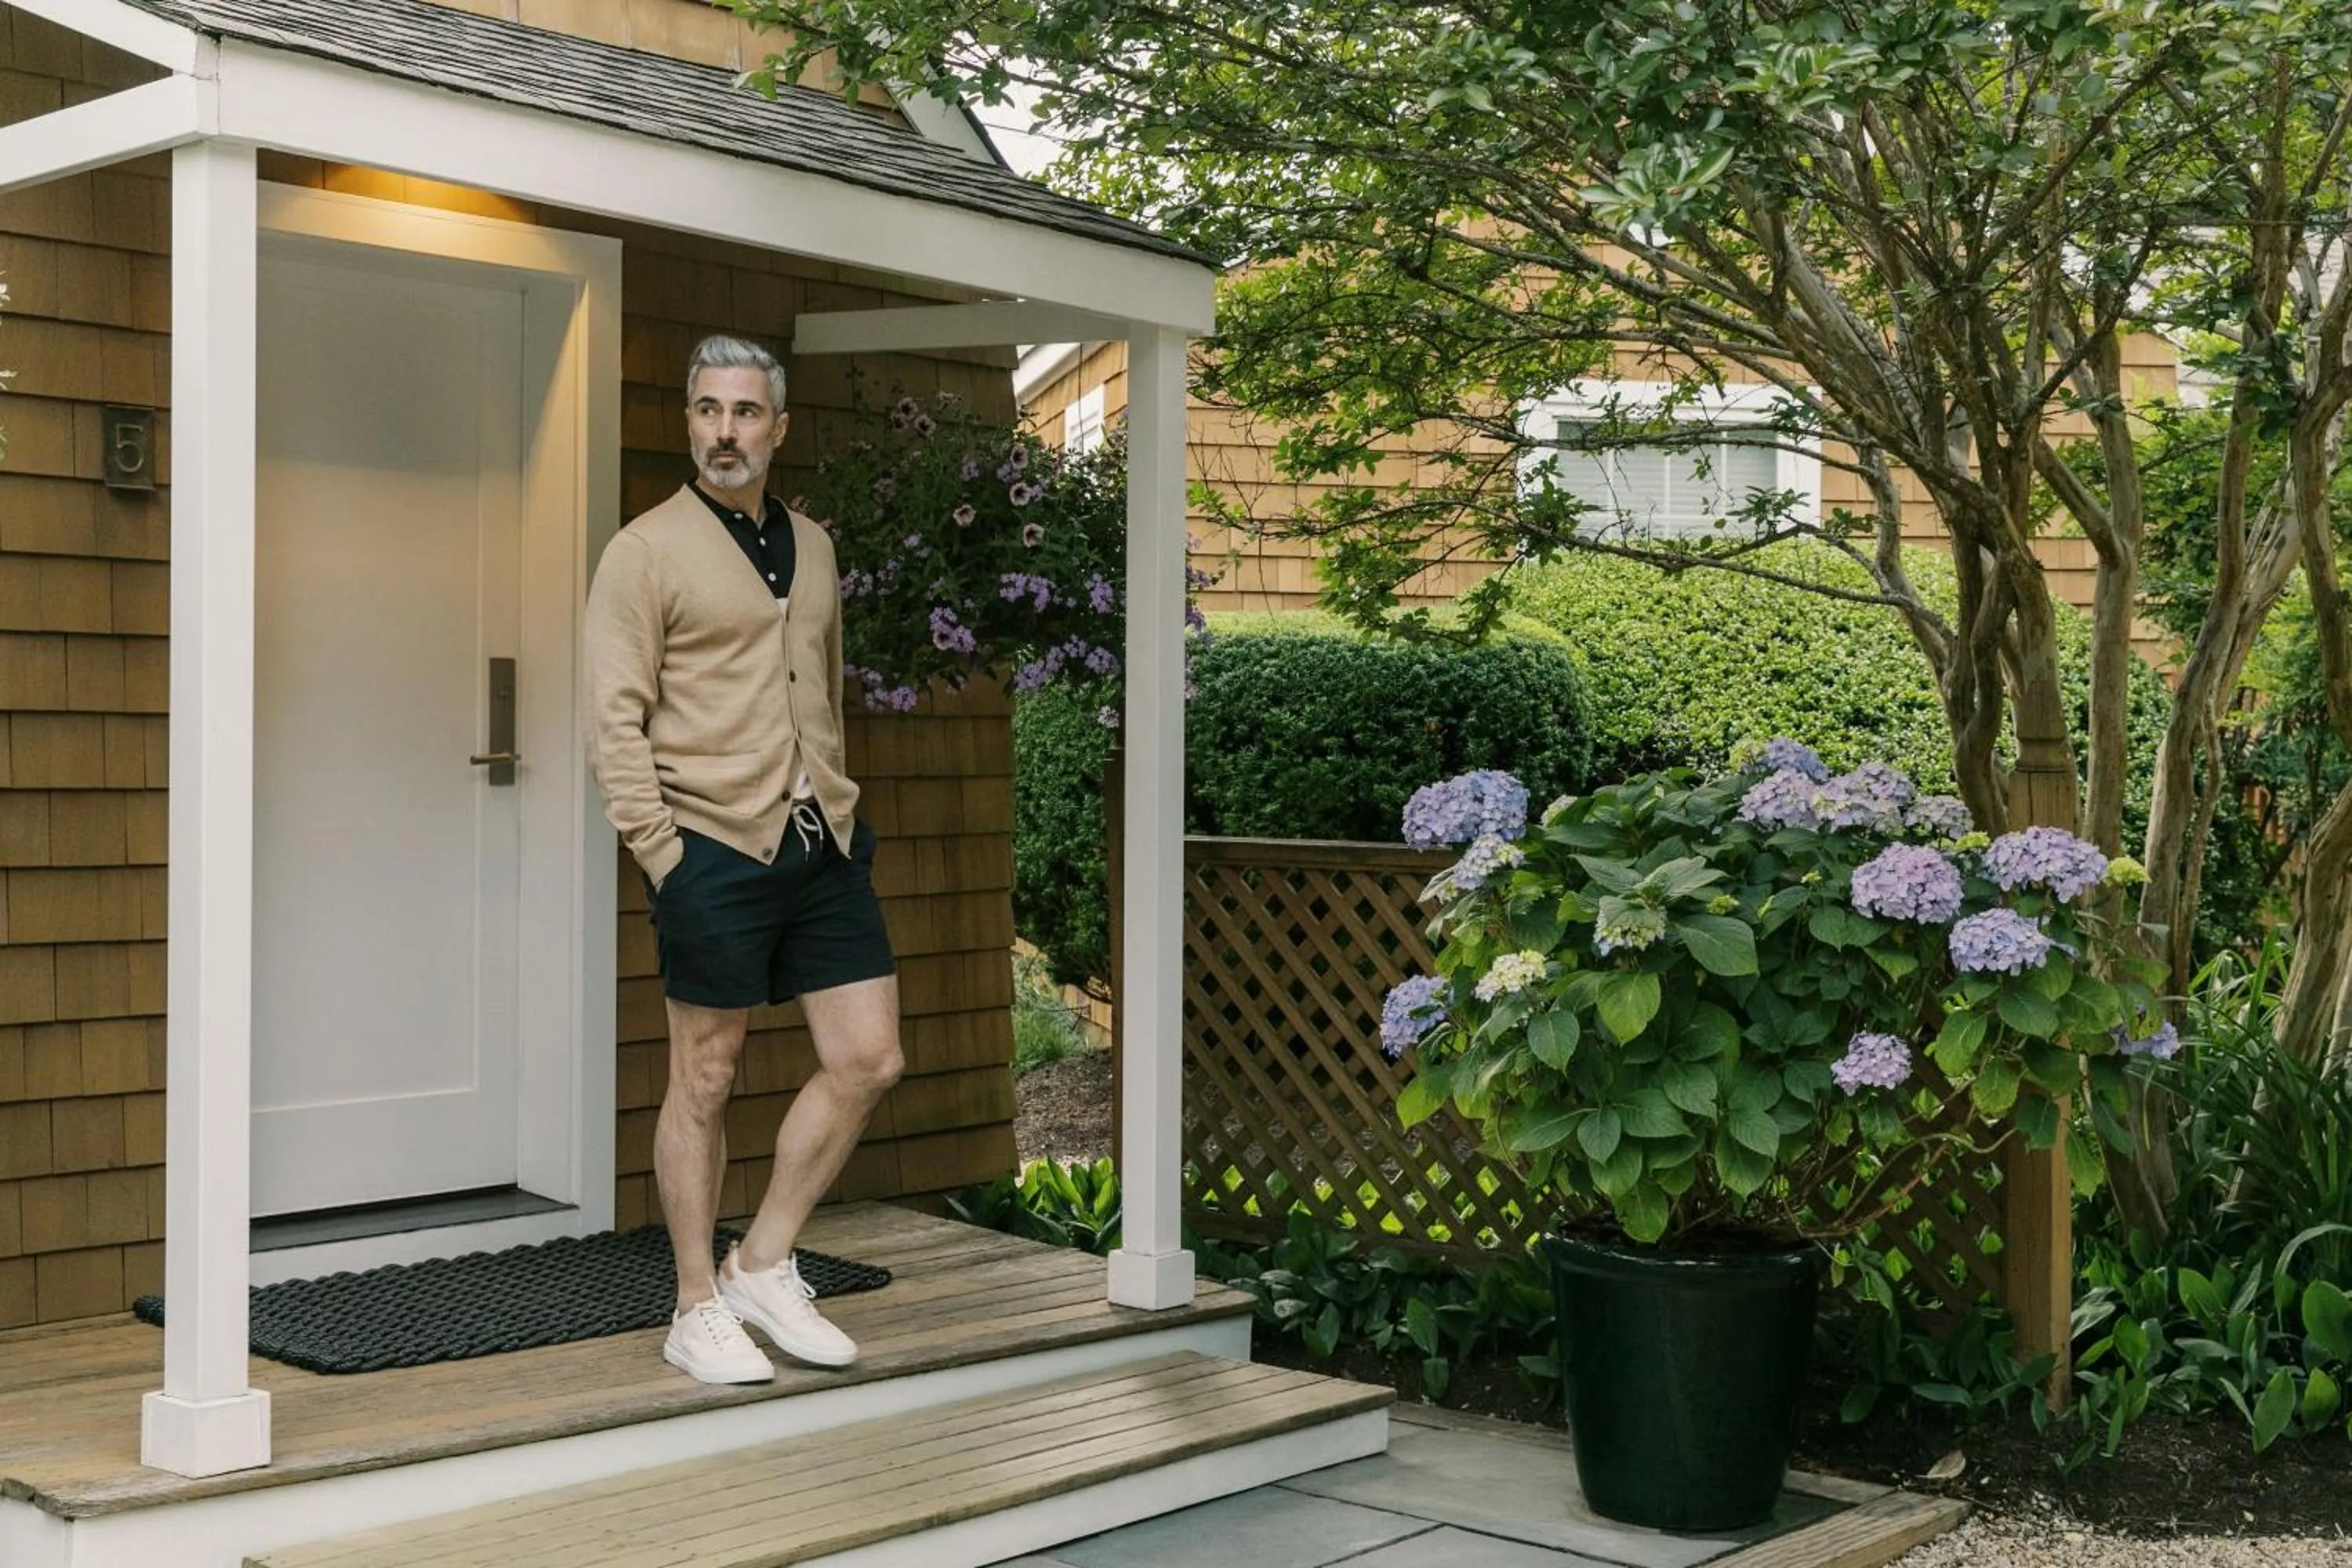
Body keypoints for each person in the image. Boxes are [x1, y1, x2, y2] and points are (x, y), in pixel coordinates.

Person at [584, 334, 902, 1384]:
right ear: (689, 421)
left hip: (822, 841)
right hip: (708, 844)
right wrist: (663, 855)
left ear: (777, 426)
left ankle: (764, 1261)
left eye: (746, 412)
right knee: (706, 1077)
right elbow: (612, 719)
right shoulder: (644, 551)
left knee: (868, 1058)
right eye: (709, 410)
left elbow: (825, 683)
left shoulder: (813, 547)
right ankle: (694, 1304)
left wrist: (835, 800)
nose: (726, 430)